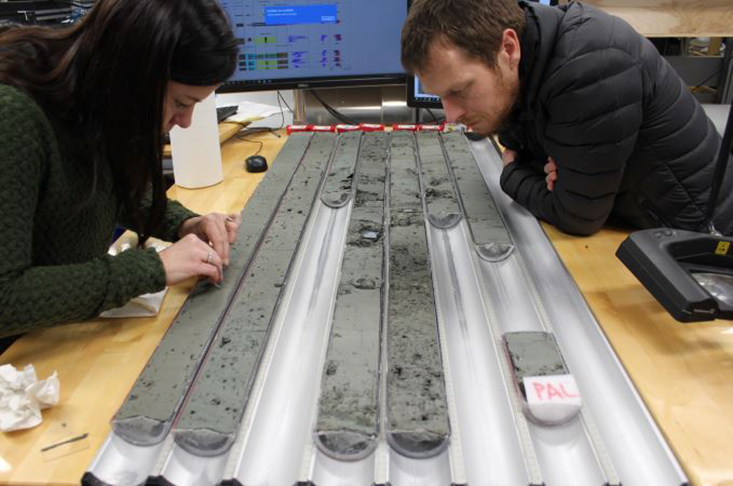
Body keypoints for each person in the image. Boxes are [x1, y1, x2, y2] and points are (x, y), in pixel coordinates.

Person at [0, 0, 242, 340]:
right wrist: (152, 269)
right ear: (133, 74)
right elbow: (5, 299)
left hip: (48, 336)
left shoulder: (96, 97)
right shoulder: (14, 117)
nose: (185, 122)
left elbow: (112, 189)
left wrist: (185, 224)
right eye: (181, 103)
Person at [401, 0, 733, 236]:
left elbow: (576, 216)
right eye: (440, 96)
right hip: (638, 225)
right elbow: (526, 151)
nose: (451, 116)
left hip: (703, 242)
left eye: (460, 91)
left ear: (508, 48)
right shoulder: (525, 67)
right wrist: (540, 170)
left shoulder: (590, 67)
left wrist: (510, 175)